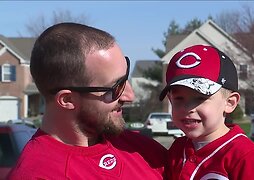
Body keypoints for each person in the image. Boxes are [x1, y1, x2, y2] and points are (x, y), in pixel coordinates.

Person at [8, 22, 167, 179]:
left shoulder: (141, 149)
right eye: (116, 87)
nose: (130, 96)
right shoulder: (38, 174)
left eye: (126, 78)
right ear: (67, 99)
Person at [159, 44, 254, 180]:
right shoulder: (177, 150)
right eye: (179, 98)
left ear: (230, 103)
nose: (188, 108)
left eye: (200, 98)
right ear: (170, 99)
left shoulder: (249, 158)